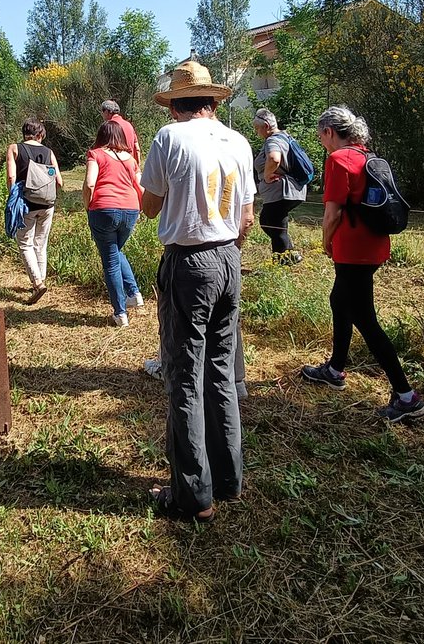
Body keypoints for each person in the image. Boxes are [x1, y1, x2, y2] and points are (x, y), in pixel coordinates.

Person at [141, 61, 254, 523]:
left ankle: (192, 495)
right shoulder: (239, 141)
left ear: (175, 105)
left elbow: (149, 206)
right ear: (212, 102)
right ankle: (227, 479)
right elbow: (247, 217)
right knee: (221, 371)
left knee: (184, 375)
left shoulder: (170, 138)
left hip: (189, 262)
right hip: (229, 258)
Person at [301, 105, 424, 422]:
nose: (321, 142)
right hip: (374, 245)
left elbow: (333, 213)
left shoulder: (338, 160)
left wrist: (326, 241)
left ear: (329, 131)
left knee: (364, 318)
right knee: (339, 300)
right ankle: (334, 370)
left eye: (320, 136)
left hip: (352, 250)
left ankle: (407, 397)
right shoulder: (367, 156)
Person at [83, 121, 144, 326]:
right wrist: (141, 209)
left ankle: (120, 313)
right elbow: (140, 187)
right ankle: (133, 293)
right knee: (115, 251)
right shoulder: (131, 159)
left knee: (110, 260)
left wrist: (87, 205)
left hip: (104, 209)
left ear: (101, 136)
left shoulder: (95, 154)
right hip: (130, 209)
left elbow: (90, 183)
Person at [6, 119, 63, 304]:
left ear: (24, 133)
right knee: (40, 243)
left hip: (26, 203)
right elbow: (59, 181)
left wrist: (13, 198)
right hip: (47, 204)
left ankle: (37, 283)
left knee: (25, 243)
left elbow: (11, 177)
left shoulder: (14, 148)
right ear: (40, 134)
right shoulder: (49, 152)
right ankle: (41, 279)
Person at [253, 108, 307, 264]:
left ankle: (281, 263)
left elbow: (274, 158)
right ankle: (290, 255)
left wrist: (267, 175)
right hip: (289, 190)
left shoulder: (273, 140)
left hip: (281, 191)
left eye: (257, 128)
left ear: (266, 126)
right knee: (268, 221)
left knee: (276, 227)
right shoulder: (284, 137)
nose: (257, 132)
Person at [101, 99, 140, 165]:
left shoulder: (108, 127)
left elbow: (102, 151)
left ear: (107, 112)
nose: (102, 114)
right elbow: (137, 148)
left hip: (115, 166)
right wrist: (137, 166)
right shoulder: (129, 125)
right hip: (130, 165)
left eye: (103, 111)